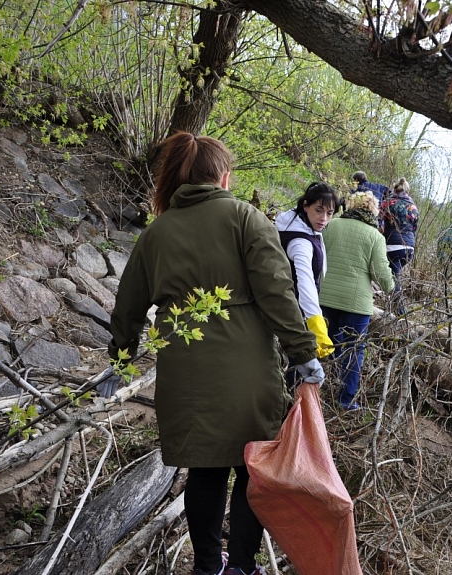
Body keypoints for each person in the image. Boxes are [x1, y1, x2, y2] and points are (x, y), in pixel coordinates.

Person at [108, 132, 324, 575]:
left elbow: (128, 304)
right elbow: (277, 294)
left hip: (184, 370)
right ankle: (242, 566)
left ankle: (207, 566)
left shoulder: (157, 232)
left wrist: (120, 357)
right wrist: (303, 352)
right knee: (251, 470)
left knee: (204, 471)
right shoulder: (246, 218)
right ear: (223, 176)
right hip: (248, 369)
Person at [319, 191, 395, 410]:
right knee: (354, 349)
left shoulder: (330, 225)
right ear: (373, 210)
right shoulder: (375, 236)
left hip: (326, 297)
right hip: (356, 302)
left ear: (350, 206)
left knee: (327, 342)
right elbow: (381, 271)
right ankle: (346, 400)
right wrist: (391, 287)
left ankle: (322, 386)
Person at [275, 182, 340, 387]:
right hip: (293, 313)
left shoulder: (297, 224)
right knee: (296, 370)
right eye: (318, 210)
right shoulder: (300, 242)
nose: (324, 219)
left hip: (282, 306)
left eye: (329, 213)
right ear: (305, 206)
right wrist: (316, 326)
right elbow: (305, 284)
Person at [380, 177, 419, 314]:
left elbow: (379, 224)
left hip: (393, 246)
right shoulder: (413, 207)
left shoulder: (387, 203)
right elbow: (414, 228)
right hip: (409, 248)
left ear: (394, 189)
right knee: (394, 275)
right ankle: (393, 305)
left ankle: (399, 311)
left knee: (394, 278)